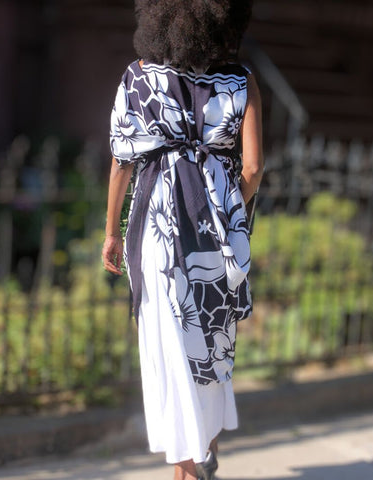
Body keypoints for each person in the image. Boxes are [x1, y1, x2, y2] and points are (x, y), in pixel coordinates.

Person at [102, 1, 264, 479]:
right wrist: (225, 203)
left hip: (157, 227)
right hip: (216, 230)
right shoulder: (241, 80)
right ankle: (203, 451)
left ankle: (186, 468)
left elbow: (121, 162)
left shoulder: (137, 77)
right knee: (213, 338)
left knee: (169, 344)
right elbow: (253, 167)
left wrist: (111, 232)